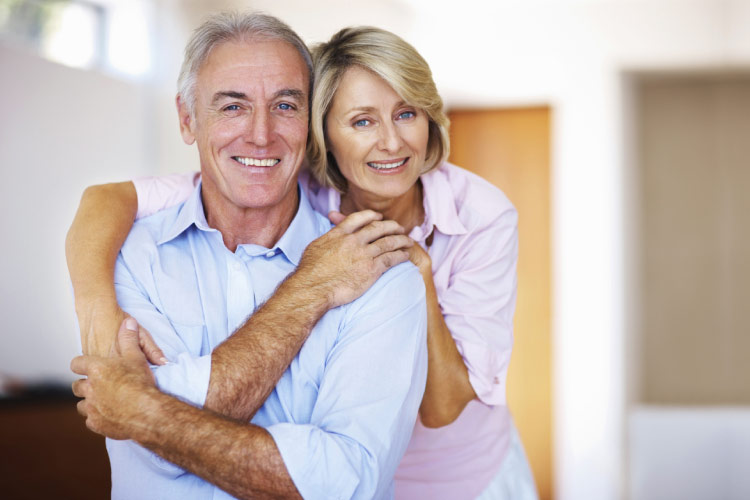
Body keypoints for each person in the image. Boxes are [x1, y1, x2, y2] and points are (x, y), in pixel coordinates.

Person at [68, 23, 539, 500]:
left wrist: (416, 270)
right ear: (324, 135)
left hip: (464, 471)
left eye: (407, 113)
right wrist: (94, 305)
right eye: (362, 121)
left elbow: (430, 418)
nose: (392, 143)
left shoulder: (475, 218)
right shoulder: (288, 179)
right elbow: (106, 199)